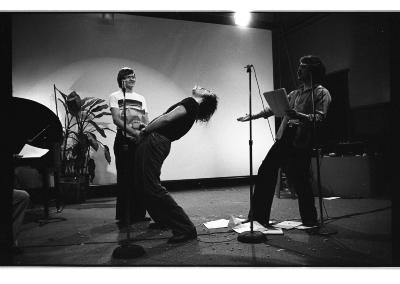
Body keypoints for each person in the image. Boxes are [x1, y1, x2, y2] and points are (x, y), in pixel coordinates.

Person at [237, 55, 331, 228]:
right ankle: (257, 217)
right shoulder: (295, 93)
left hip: (302, 140)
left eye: (302, 67)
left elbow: (320, 118)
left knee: (300, 179)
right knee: (265, 170)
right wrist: (252, 116)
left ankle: (310, 219)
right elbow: (272, 109)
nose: (298, 70)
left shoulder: (321, 93)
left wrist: (299, 115)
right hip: (285, 136)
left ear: (311, 71)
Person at [134, 85, 218, 243]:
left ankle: (185, 228)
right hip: (158, 141)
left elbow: (166, 118)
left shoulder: (191, 103)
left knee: (151, 186)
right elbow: (166, 118)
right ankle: (162, 220)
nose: (201, 86)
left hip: (155, 141)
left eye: (205, 89)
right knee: (144, 184)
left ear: (206, 97)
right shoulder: (192, 107)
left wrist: (145, 131)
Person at [109, 67, 150, 228]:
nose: (132, 78)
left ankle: (139, 213)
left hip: (139, 139)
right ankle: (125, 215)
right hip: (124, 140)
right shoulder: (115, 96)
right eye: (128, 76)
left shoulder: (141, 97)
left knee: (138, 176)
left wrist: (143, 131)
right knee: (125, 177)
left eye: (133, 76)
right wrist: (133, 132)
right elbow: (116, 119)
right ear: (121, 80)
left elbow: (146, 118)